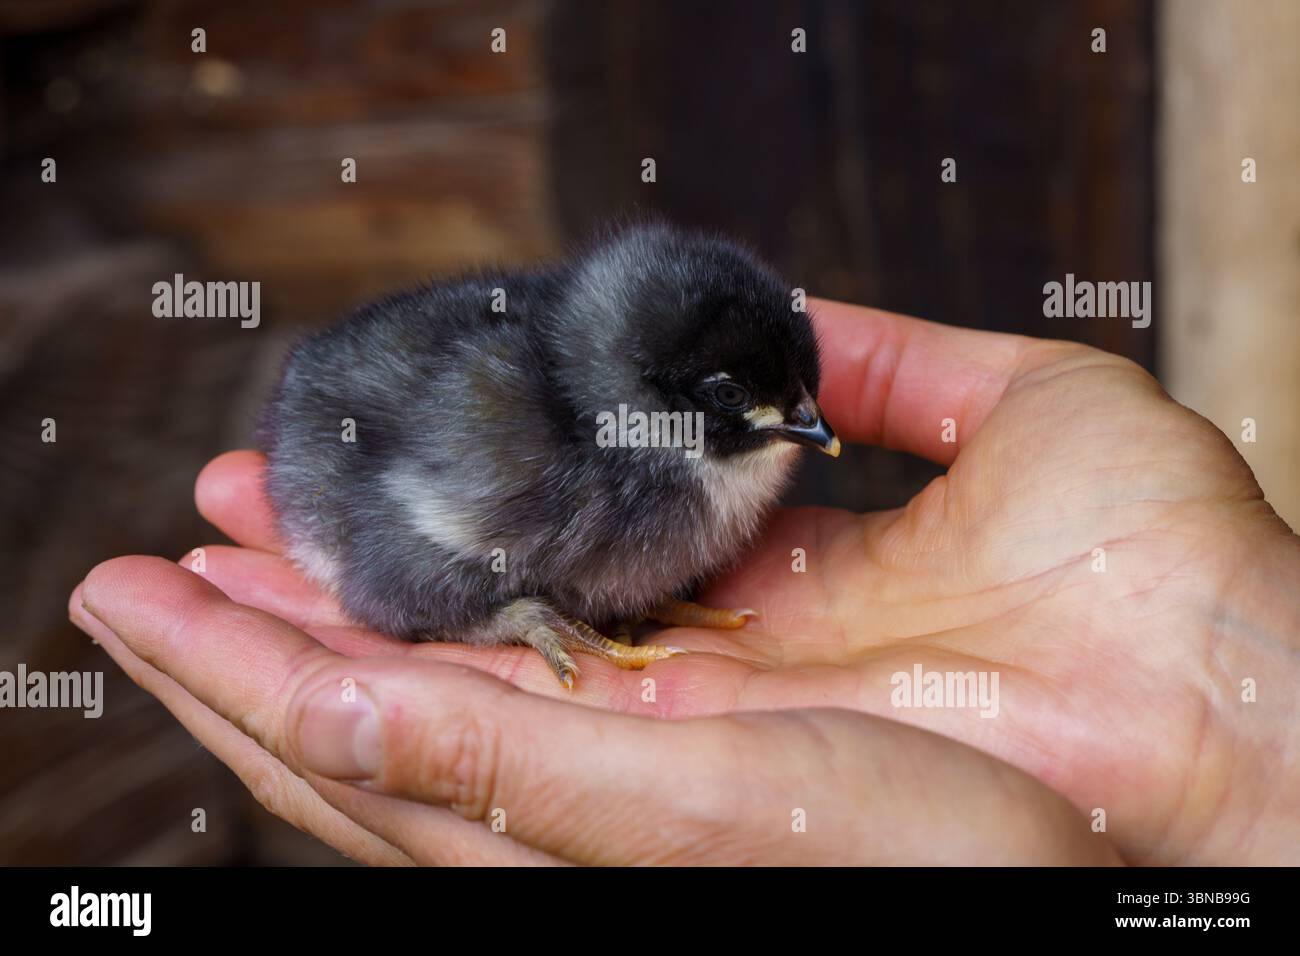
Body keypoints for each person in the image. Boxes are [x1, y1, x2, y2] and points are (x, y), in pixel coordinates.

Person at [69, 300, 1299, 865]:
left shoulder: (672, 428)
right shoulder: (558, 460)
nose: (802, 428)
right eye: (762, 408)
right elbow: (389, 524)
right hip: (403, 502)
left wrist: (1240, 776)